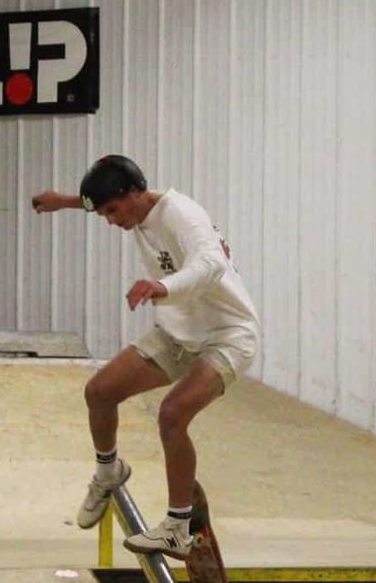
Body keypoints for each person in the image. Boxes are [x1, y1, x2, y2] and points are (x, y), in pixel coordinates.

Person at [32, 154, 260, 560]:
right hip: (178, 333)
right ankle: (108, 472)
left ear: (136, 192)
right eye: (103, 214)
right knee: (99, 392)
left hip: (228, 336)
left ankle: (176, 528)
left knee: (172, 416)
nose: (111, 221)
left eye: (114, 211)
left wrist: (162, 287)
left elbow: (211, 264)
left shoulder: (182, 214)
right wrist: (64, 201)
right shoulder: (131, 207)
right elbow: (93, 202)